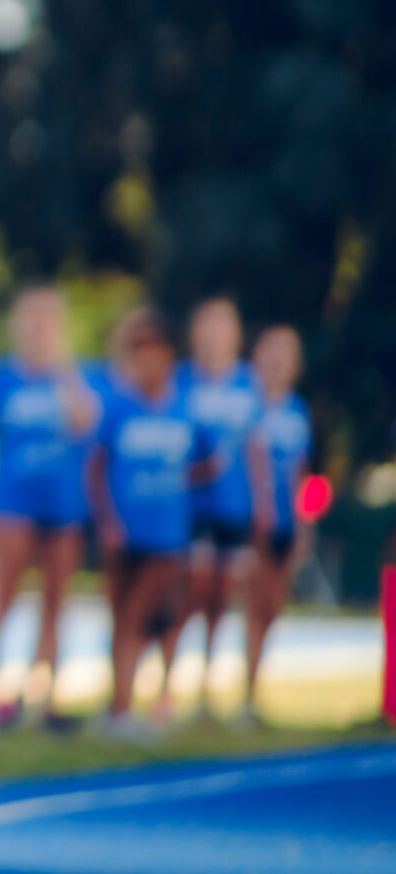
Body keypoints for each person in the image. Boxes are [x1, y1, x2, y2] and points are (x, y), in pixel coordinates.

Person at [0, 284, 99, 733]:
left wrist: (62, 370)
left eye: (49, 318)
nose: (40, 327)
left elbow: (86, 424)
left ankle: (47, 696)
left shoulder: (76, 376)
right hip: (11, 503)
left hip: (63, 505)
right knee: (3, 598)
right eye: (32, 317)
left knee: (56, 602)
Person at [86, 307, 220, 738]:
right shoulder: (118, 405)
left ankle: (128, 705)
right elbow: (95, 467)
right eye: (137, 350)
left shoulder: (184, 406)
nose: (147, 360)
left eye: (154, 349)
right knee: (123, 617)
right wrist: (107, 521)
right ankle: (119, 708)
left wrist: (178, 479)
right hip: (126, 530)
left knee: (146, 616)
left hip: (167, 533)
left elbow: (210, 459)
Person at [169, 296, 260, 719]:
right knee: (190, 591)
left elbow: (256, 450)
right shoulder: (181, 381)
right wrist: (194, 473)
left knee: (223, 597)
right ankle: (167, 685)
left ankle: (208, 685)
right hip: (191, 510)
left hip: (235, 509)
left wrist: (265, 506)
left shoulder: (247, 385)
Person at [240, 324, 311, 725]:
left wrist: (302, 526)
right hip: (252, 525)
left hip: (285, 523)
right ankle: (242, 695)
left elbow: (301, 473)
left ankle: (254, 690)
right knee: (249, 605)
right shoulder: (248, 407)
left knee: (271, 609)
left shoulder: (297, 411)